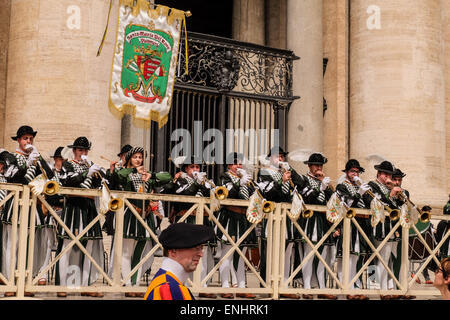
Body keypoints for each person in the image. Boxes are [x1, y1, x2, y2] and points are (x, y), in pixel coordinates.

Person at [108, 146, 171, 297]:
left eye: (140, 157)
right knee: (126, 252)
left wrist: (151, 175)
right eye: (135, 157)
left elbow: (167, 177)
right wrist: (134, 171)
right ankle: (128, 284)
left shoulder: (145, 174)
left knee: (140, 253)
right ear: (130, 158)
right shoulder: (127, 173)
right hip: (130, 215)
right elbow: (119, 175)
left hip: (146, 217)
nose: (138, 160)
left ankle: (134, 284)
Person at [1, 125, 54, 297]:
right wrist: (28, 165)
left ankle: (27, 283)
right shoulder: (10, 156)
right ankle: (10, 283)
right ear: (18, 140)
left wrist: (39, 159)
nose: (28, 141)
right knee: (13, 246)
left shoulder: (35, 158)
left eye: (31, 139)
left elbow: (51, 177)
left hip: (32, 208)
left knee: (31, 246)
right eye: (25, 138)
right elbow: (14, 177)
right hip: (14, 206)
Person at [55, 136, 105, 298]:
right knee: (67, 247)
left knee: (88, 247)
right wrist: (86, 174)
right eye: (80, 150)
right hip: (74, 208)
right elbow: (67, 181)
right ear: (75, 151)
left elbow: (100, 185)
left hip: (89, 209)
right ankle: (62, 285)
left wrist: (98, 173)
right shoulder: (68, 164)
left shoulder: (90, 165)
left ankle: (85, 284)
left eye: (85, 150)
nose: (83, 153)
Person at [161, 156, 216, 298]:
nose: (196, 170)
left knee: (205, 255)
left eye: (197, 167)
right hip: (186, 219)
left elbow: (212, 199)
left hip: (202, 218)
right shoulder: (181, 179)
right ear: (186, 169)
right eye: (192, 167)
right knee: (188, 254)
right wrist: (197, 183)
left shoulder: (203, 181)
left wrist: (208, 186)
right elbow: (184, 194)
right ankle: (188, 285)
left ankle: (204, 285)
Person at [258, 146, 304, 299]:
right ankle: (267, 285)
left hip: (287, 217)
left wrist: (289, 169)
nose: (280, 159)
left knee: (287, 250)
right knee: (270, 251)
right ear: (270, 158)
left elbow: (302, 184)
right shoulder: (264, 173)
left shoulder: (287, 172)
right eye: (277, 156)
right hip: (272, 215)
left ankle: (284, 284)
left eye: (282, 157)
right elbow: (268, 193)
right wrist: (280, 181)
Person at [216, 152, 257, 299]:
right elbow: (228, 193)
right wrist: (240, 183)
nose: (238, 166)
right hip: (229, 217)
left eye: (240, 163)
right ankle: (225, 286)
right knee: (227, 253)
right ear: (229, 165)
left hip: (243, 218)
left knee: (241, 254)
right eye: (235, 163)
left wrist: (251, 184)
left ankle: (241, 286)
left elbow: (254, 195)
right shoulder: (225, 177)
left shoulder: (244, 178)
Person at [298, 153, 337, 300]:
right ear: (309, 166)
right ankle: (307, 287)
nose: (319, 168)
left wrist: (327, 187)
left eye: (320, 165)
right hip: (309, 220)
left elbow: (333, 201)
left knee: (323, 256)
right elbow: (306, 196)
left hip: (323, 222)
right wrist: (321, 186)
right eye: (316, 165)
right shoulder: (304, 179)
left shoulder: (325, 182)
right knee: (308, 254)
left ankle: (322, 287)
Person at [361, 160, 402, 300]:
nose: (388, 177)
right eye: (385, 174)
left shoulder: (388, 187)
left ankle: (383, 288)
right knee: (376, 259)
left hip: (389, 227)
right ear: (379, 173)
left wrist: (394, 193)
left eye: (390, 174)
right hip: (376, 227)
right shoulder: (371, 186)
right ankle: (378, 288)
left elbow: (397, 206)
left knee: (385, 259)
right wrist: (390, 195)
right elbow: (376, 204)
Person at [144, 223, 215, 300]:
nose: (201, 254)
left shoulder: (166, 281)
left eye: (201, 248)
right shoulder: (169, 288)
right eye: (196, 248)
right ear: (173, 251)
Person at [334, 159, 371, 300]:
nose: (355, 174)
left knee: (357, 256)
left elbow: (367, 204)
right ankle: (346, 287)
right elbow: (347, 204)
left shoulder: (360, 185)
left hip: (360, 224)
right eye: (352, 171)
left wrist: (369, 195)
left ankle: (356, 285)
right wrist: (359, 194)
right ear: (347, 173)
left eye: (357, 171)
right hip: (348, 223)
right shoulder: (341, 186)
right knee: (346, 256)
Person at [435, 196, 450, 261]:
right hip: (447, 226)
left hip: (445, 224)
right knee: (444, 248)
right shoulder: (447, 206)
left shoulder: (447, 205)